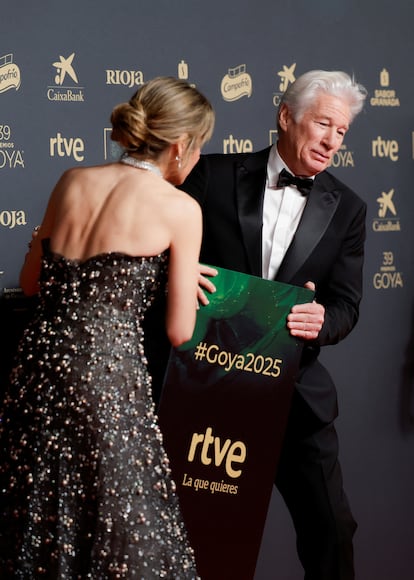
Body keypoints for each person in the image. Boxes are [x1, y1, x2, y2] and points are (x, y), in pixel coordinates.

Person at [0, 76, 214, 578]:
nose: (201, 157)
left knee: (37, 514)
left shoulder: (72, 180)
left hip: (37, 370)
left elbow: (32, 283)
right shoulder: (181, 209)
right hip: (105, 384)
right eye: (201, 146)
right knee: (117, 525)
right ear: (180, 146)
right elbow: (180, 331)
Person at [179, 70, 367, 580]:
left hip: (296, 397)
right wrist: (180, 277)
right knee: (203, 532)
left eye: (342, 131)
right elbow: (163, 254)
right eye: (322, 124)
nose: (332, 141)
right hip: (210, 389)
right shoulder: (211, 176)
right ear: (286, 117)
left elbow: (347, 305)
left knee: (332, 532)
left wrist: (322, 319)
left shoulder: (348, 208)